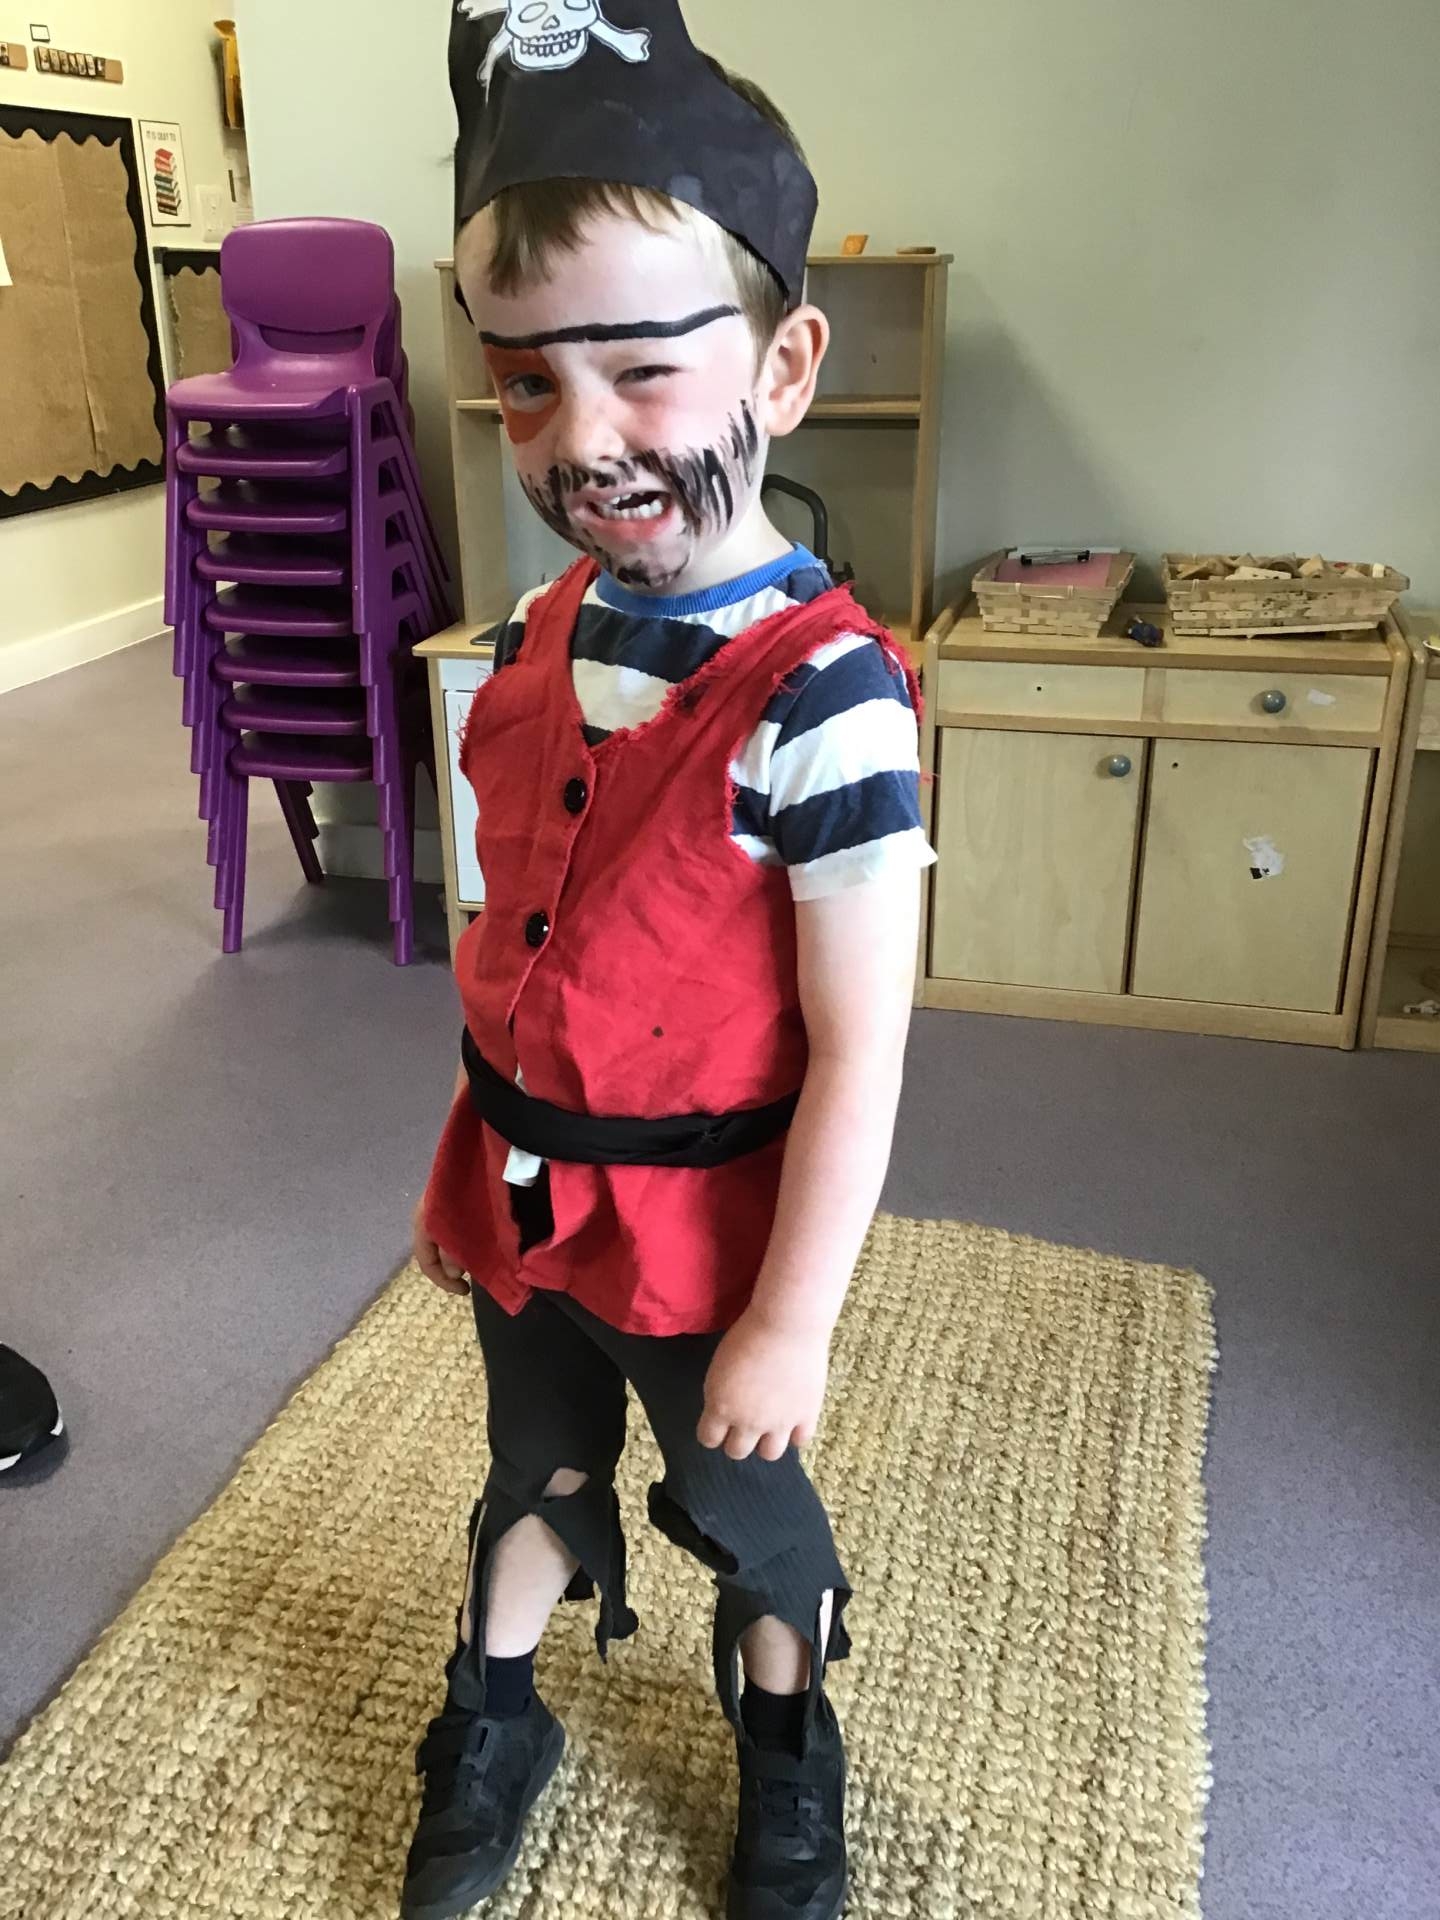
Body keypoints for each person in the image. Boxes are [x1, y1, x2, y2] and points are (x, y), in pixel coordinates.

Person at [402, 6, 933, 1916]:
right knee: (534, 1461)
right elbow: (523, 932)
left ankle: (787, 1739)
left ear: (782, 367)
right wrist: (474, 1158)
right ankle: (498, 1707)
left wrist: (794, 1323)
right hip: (525, 1184)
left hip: (709, 1230)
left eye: (639, 370)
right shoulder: (537, 630)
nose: (582, 440)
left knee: (736, 1499)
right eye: (524, 386)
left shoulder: (830, 701)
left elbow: (861, 1051)